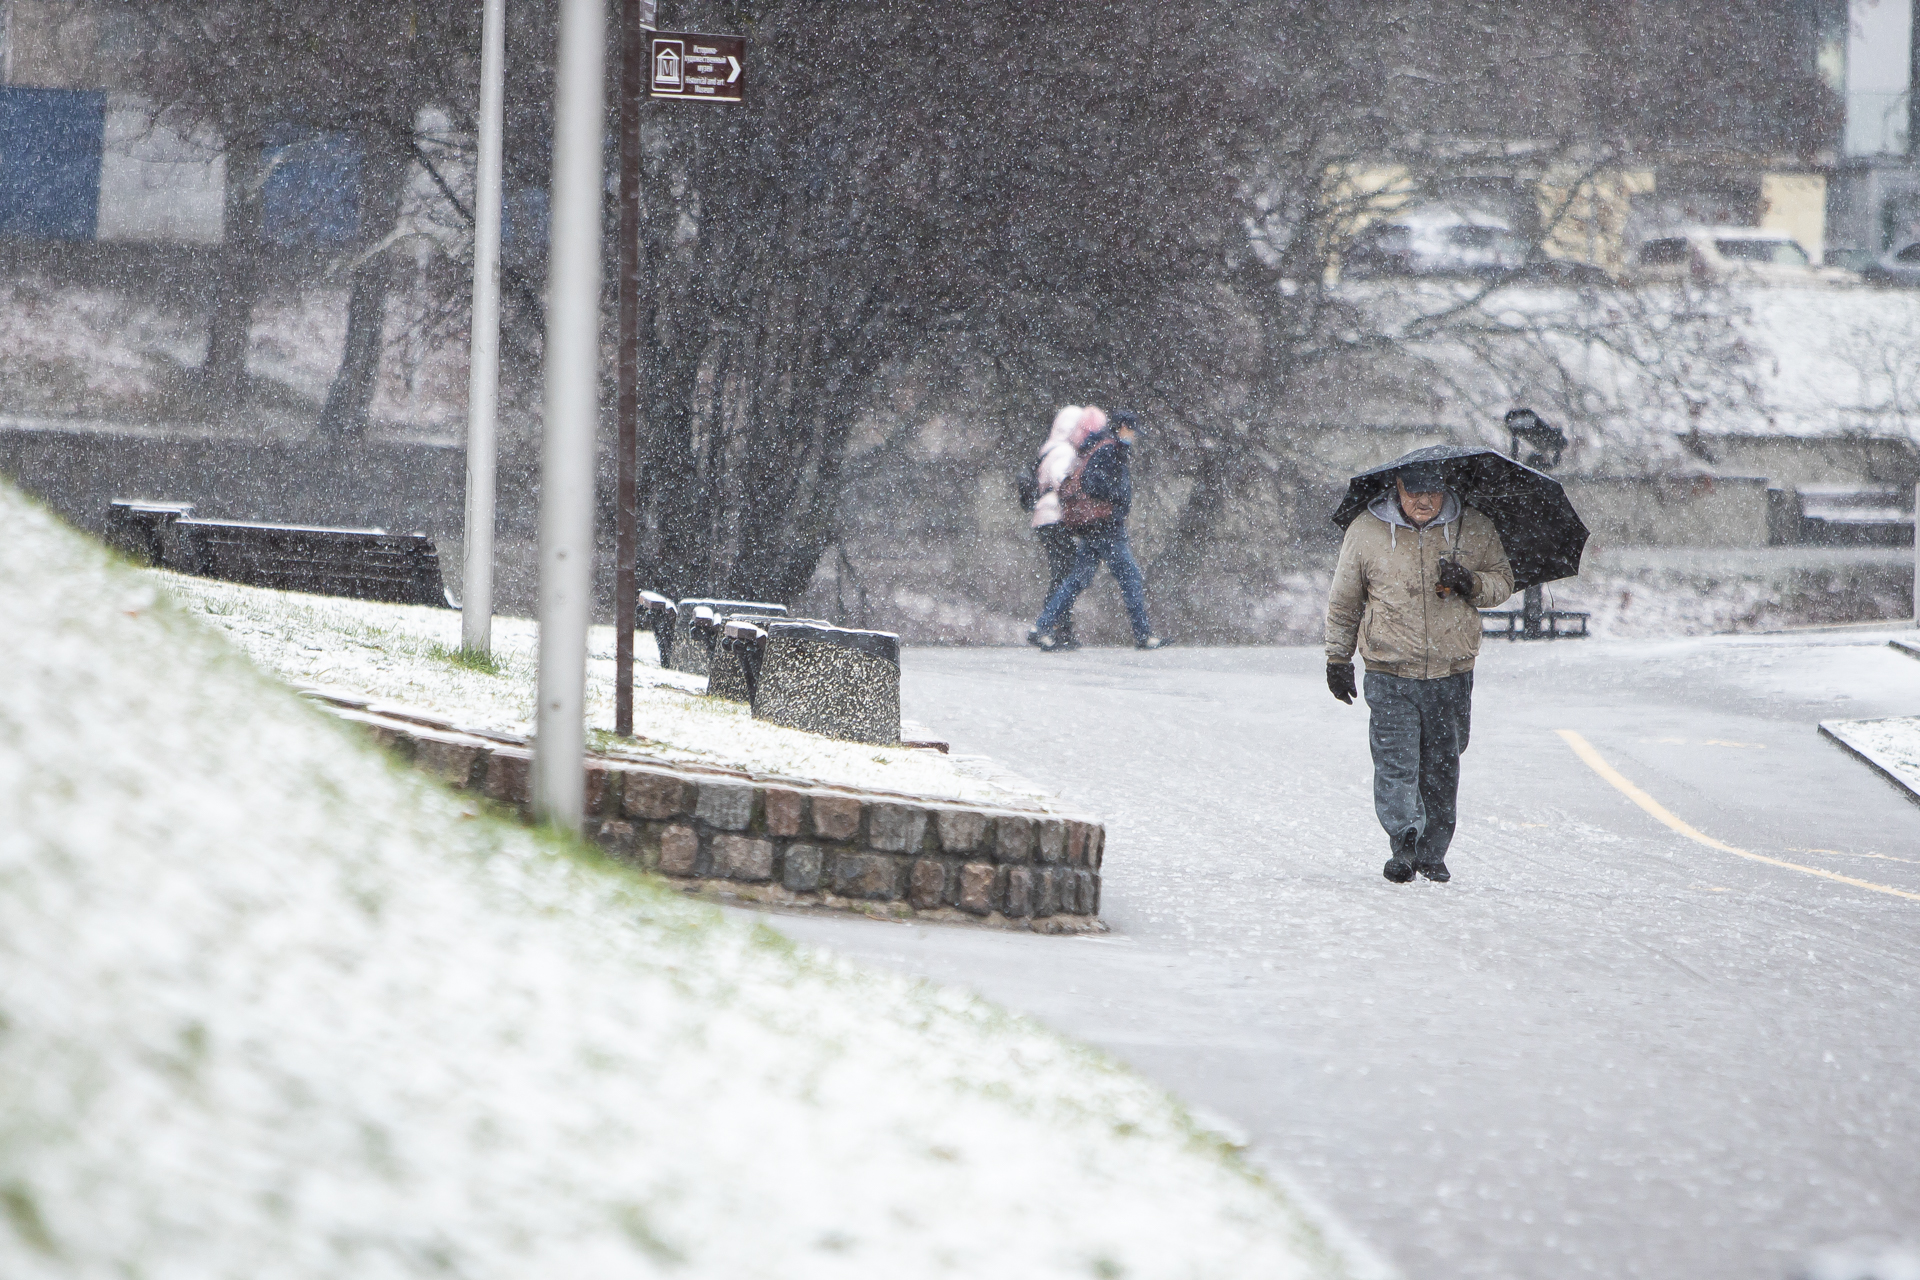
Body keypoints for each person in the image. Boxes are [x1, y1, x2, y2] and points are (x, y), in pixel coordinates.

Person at [1324, 461, 1513, 883]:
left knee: (1443, 765)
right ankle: (1404, 839)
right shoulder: (1366, 531)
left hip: (1452, 670)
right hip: (1390, 670)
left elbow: (1503, 581)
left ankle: (1433, 852)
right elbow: (1344, 601)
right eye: (1414, 493)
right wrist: (1338, 659)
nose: (1425, 501)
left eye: (1433, 492)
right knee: (1396, 762)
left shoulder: (1474, 527)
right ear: (1397, 488)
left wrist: (1471, 582)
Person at [1031, 407, 1168, 651]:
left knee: (1077, 580)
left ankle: (1042, 626)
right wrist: (1116, 499)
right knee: (1130, 577)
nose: (1134, 436)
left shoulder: (1105, 448)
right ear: (1123, 429)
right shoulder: (1109, 450)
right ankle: (1143, 635)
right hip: (1107, 528)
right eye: (1132, 430)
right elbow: (1092, 483)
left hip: (1096, 527)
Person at [1026, 405, 1085, 649]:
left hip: (1044, 518)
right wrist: (1078, 496)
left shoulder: (1048, 450)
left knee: (1062, 574)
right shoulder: (1064, 451)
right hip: (1054, 517)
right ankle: (1048, 627)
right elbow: (1061, 480)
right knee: (1064, 577)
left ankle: (1060, 628)